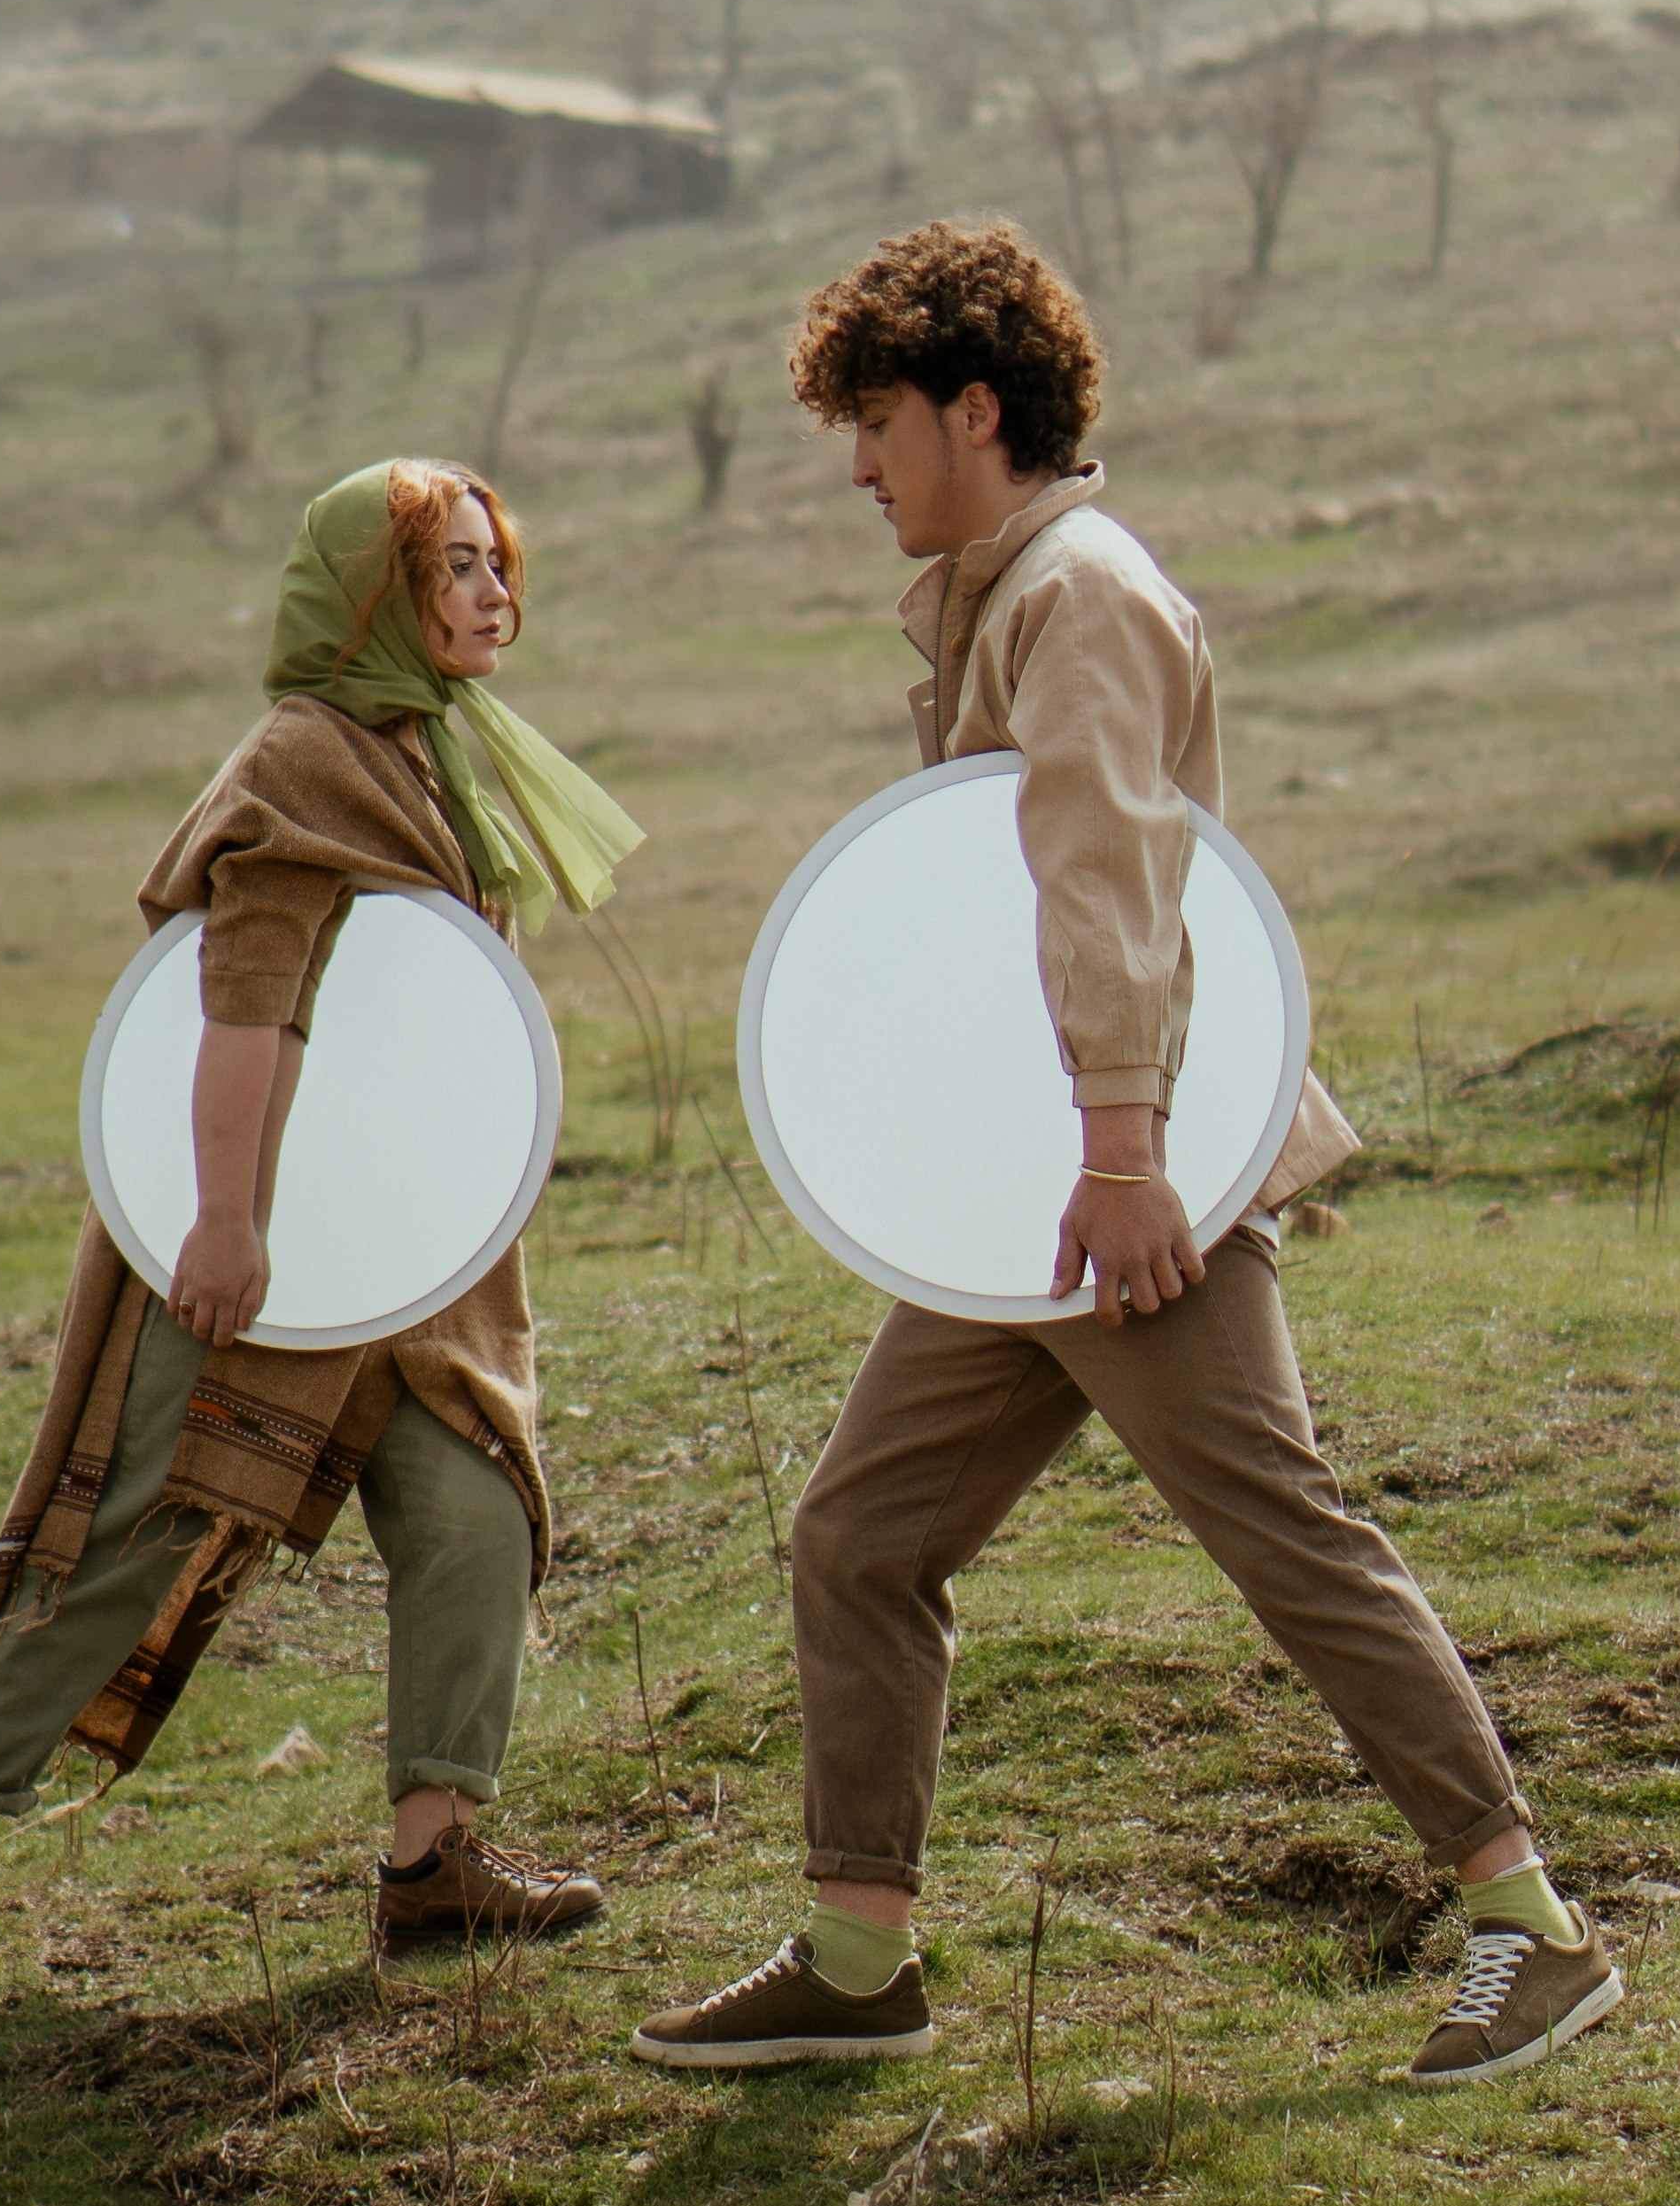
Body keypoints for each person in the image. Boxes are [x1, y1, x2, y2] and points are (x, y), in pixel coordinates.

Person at [631, 221, 1620, 2090]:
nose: (854, 468)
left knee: (1280, 1531)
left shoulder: (1074, 593)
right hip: (1039, 1188)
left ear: (971, 409)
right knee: (857, 1535)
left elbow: (1107, 880)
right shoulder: (999, 595)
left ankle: (1529, 1928)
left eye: (872, 425)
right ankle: (857, 1957)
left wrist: (1124, 1151)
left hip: (1114, 1181)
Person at [0, 461, 639, 2050]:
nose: (497, 595)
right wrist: (224, 1219)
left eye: (500, 565)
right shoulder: (307, 763)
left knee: (476, 1514)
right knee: (138, 1535)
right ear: (371, 596)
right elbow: (246, 1000)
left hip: (404, 1254)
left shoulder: (441, 750)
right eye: (457, 569)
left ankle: (435, 1858)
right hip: (258, 1244)